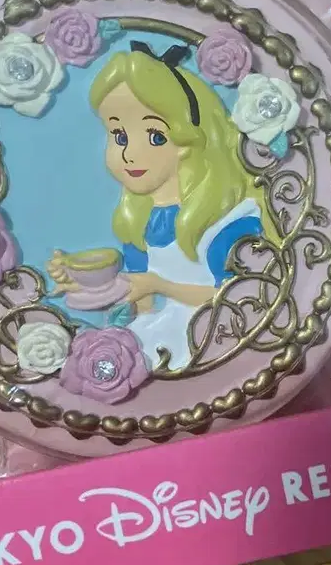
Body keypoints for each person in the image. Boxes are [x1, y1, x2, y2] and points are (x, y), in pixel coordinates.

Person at [48, 42, 274, 370]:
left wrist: (160, 286)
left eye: (155, 136)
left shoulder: (229, 223)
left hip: (211, 343)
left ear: (189, 138)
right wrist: (82, 284)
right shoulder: (141, 220)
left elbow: (238, 297)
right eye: (120, 136)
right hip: (155, 340)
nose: (129, 154)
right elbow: (142, 300)